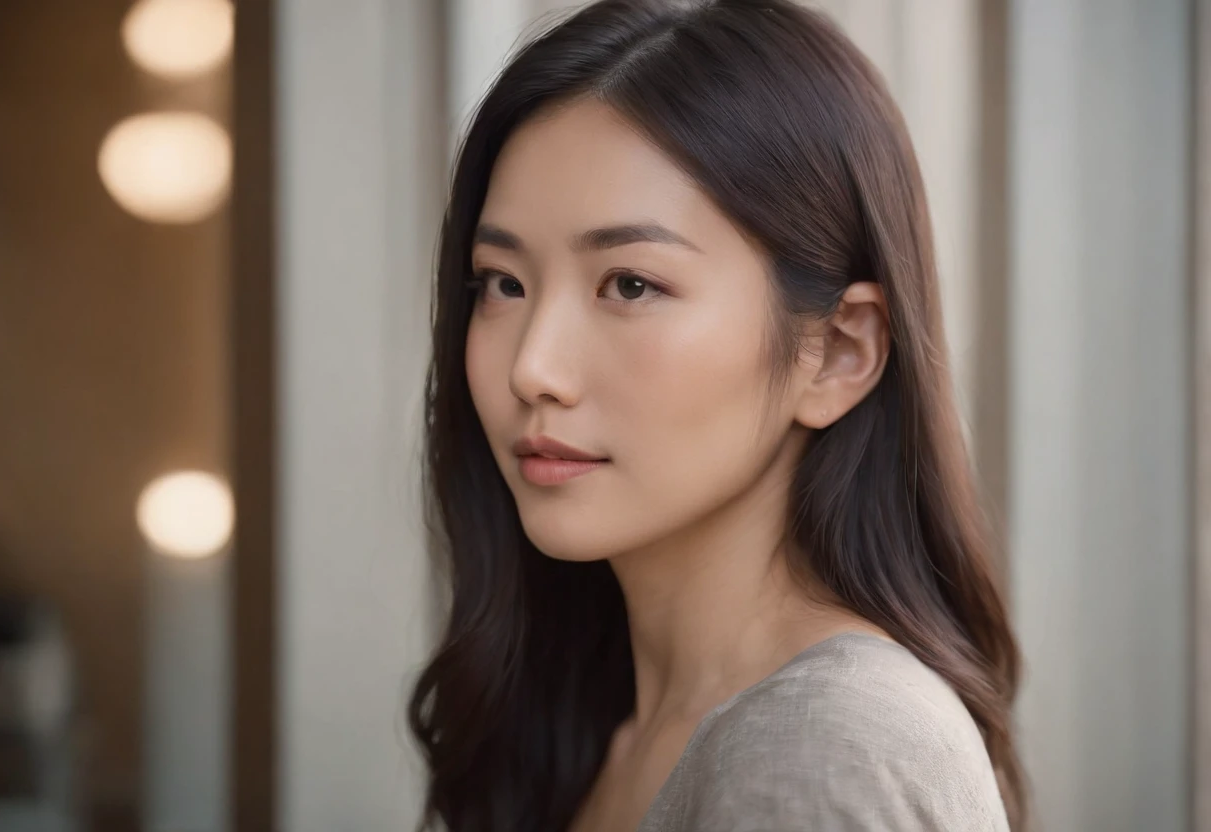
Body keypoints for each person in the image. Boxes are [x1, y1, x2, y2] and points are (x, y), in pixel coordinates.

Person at [407, 0, 1024, 829]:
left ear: (839, 352)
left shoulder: (827, 749)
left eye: (631, 284)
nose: (532, 368)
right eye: (503, 283)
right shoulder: (586, 728)